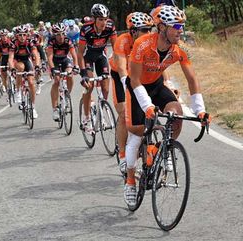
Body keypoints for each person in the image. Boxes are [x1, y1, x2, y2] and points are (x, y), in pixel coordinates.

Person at [123, 5, 211, 209]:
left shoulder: (179, 49)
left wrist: (199, 110)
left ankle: (163, 149)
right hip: (136, 87)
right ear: (162, 27)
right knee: (136, 133)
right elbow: (134, 80)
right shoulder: (142, 44)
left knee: (177, 115)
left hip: (156, 85)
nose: (181, 30)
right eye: (176, 26)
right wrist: (147, 106)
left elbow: (192, 79)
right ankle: (129, 180)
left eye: (182, 26)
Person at [109, 12, 154, 176]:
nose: (148, 33)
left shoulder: (149, 42)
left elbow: (158, 66)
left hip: (138, 75)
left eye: (150, 29)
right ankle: (122, 156)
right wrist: (124, 82)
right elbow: (121, 66)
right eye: (144, 30)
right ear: (133, 31)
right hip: (120, 75)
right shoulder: (123, 41)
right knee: (122, 113)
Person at [78, 3, 117, 133]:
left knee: (106, 87)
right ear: (94, 19)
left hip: (101, 56)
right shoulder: (86, 29)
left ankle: (101, 107)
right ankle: (87, 117)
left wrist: (119, 66)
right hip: (87, 57)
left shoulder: (110, 26)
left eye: (105, 19)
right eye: (101, 19)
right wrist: (83, 73)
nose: (104, 22)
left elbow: (116, 48)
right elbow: (79, 53)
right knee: (89, 86)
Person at [46, 22, 79, 121]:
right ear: (54, 35)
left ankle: (67, 95)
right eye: (58, 34)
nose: (61, 36)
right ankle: (55, 109)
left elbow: (74, 55)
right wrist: (52, 69)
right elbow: (50, 57)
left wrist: (76, 65)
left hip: (65, 59)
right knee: (56, 81)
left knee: (69, 75)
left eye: (62, 33)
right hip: (55, 61)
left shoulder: (67, 41)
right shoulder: (51, 42)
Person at [8, 24, 41, 118]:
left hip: (27, 60)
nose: (22, 37)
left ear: (27, 35)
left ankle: (33, 107)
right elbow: (10, 58)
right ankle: (18, 91)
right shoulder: (13, 43)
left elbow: (36, 55)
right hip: (17, 61)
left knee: (31, 82)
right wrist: (12, 68)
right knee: (20, 68)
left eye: (24, 35)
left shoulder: (30, 42)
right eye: (20, 35)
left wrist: (37, 66)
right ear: (16, 36)